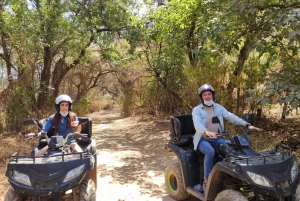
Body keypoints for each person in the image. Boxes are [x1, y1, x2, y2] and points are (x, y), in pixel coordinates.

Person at [192, 84, 263, 193]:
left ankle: (238, 177)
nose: (207, 96)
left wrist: (247, 125)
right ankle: (206, 181)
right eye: (204, 95)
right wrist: (207, 132)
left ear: (213, 95)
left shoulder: (218, 107)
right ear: (201, 97)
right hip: (203, 140)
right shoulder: (197, 110)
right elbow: (197, 125)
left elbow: (231, 117)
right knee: (210, 152)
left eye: (209, 94)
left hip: (217, 138)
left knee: (234, 147)